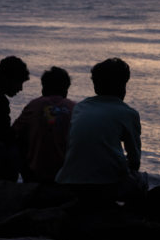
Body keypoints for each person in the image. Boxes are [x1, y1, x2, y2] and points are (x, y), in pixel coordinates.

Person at [55, 58, 145, 206]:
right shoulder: (128, 113)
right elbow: (134, 159)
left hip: (69, 180)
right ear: (123, 85)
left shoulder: (80, 108)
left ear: (96, 86)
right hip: (106, 184)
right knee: (141, 181)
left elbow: (69, 144)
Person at [12, 66, 76, 183]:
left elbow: (13, 133)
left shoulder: (34, 105)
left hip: (35, 173)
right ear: (66, 89)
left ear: (43, 88)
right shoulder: (75, 108)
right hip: (65, 174)